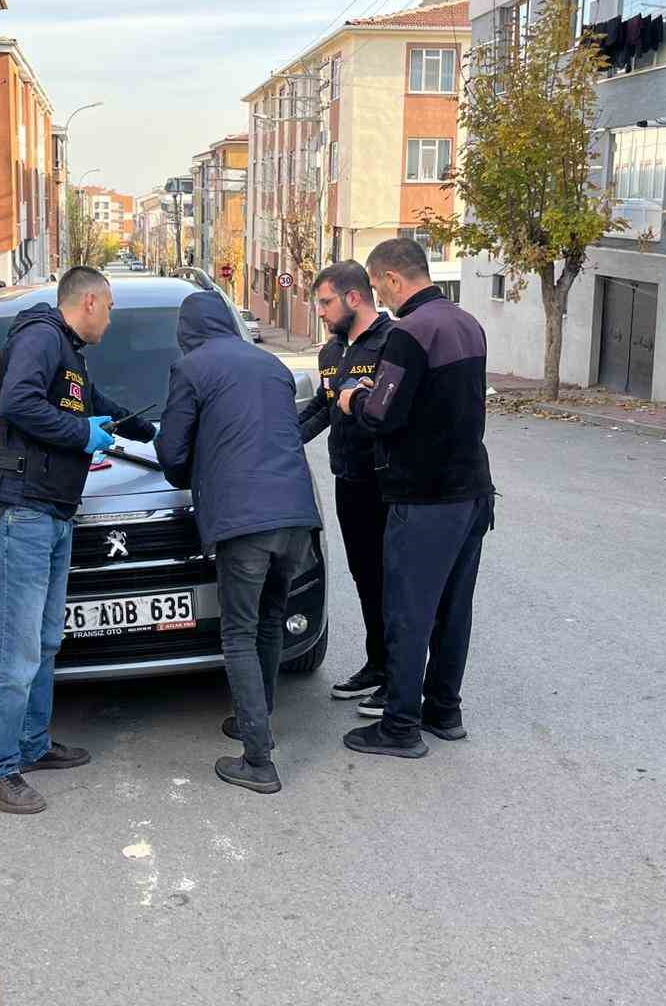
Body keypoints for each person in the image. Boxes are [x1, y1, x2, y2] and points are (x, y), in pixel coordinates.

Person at [0, 266, 157, 814]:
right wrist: (84, 433)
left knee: (46, 640)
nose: (111, 318)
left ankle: (31, 745)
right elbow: (17, 404)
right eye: (111, 308)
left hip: (51, 512)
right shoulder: (40, 335)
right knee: (15, 648)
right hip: (21, 514)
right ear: (93, 301)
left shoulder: (69, 355)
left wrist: (150, 431)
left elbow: (99, 405)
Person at [155, 291, 321, 794]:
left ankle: (258, 759)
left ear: (186, 331)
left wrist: (190, 466)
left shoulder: (191, 369)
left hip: (245, 523)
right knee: (270, 619)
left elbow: (171, 452)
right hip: (296, 518)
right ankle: (258, 718)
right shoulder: (270, 365)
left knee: (239, 633)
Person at [337, 238, 493, 760]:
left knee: (407, 609)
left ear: (394, 279)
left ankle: (399, 727)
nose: (377, 295)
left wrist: (352, 397)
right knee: (453, 609)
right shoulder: (467, 323)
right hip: (472, 491)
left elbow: (385, 413)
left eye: (378, 285)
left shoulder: (410, 333)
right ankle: (444, 712)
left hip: (425, 496)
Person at [297, 260, 394, 711]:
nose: (319, 311)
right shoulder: (332, 352)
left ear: (353, 298)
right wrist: (281, 440)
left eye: (325, 302)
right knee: (364, 577)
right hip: (348, 481)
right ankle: (377, 664)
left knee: (392, 580)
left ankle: (398, 675)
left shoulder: (393, 345)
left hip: (387, 484)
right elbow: (323, 406)